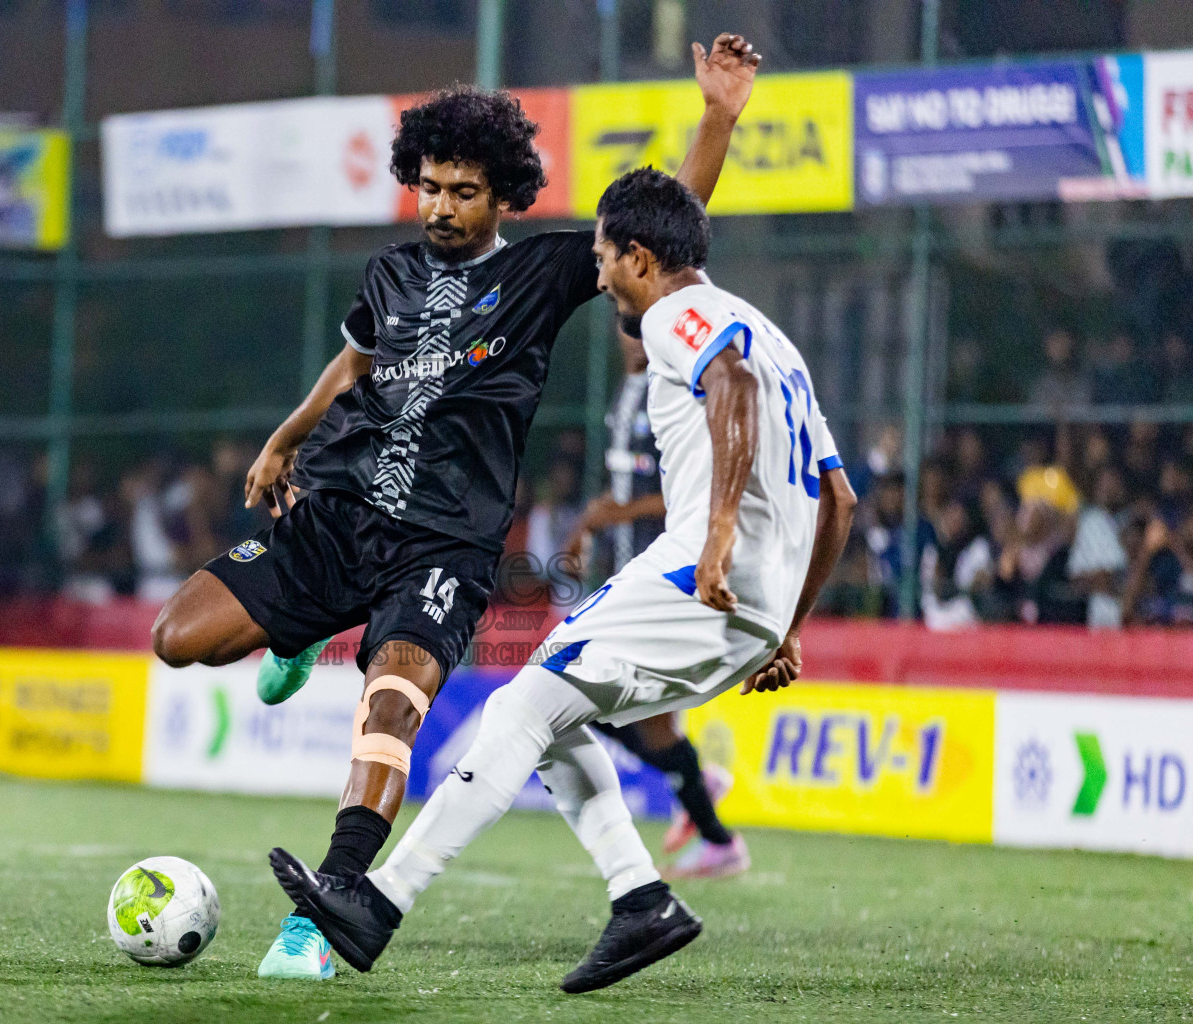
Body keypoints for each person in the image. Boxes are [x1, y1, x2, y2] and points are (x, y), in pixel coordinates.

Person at [149, 35, 764, 981]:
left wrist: (718, 116)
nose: (440, 205)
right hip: (336, 517)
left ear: (503, 195)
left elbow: (666, 232)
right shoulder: (391, 272)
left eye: (462, 190)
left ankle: (329, 905)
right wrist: (285, 437)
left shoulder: (547, 273)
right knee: (176, 637)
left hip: (442, 547)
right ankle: (299, 633)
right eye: (429, 185)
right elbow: (354, 358)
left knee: (389, 703)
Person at [269, 166, 857, 993]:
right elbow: (838, 497)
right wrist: (789, 625)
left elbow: (733, 387)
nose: (601, 271)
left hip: (699, 575)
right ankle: (638, 897)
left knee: (521, 704)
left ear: (641, 256)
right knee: (549, 709)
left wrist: (720, 537)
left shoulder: (680, 316)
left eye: (605, 255)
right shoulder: (770, 334)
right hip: (754, 607)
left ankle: (375, 906)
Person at [566, 323, 744, 878]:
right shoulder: (626, 393)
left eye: (640, 330)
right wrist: (586, 528)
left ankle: (713, 828)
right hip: (624, 574)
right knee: (613, 711)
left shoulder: (669, 394)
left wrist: (614, 516)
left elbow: (685, 495)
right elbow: (623, 491)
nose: (631, 340)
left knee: (584, 698)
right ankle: (699, 793)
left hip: (663, 577)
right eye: (623, 329)